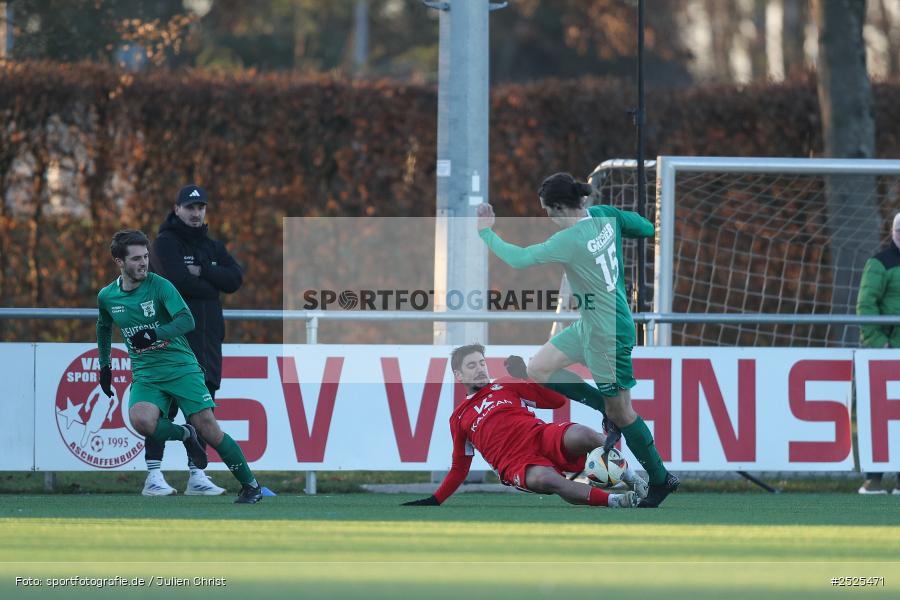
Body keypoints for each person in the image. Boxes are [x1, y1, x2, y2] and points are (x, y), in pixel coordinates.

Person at [475, 172, 678, 508]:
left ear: (556, 208)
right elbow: (646, 228)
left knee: (624, 413)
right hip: (590, 323)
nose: (547, 218)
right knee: (539, 369)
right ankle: (603, 406)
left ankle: (660, 479)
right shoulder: (604, 216)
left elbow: (520, 259)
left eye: (546, 211)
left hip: (608, 334)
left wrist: (485, 232)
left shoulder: (568, 239)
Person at [97, 229, 262, 504]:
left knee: (208, 427)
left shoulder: (160, 286)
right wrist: (105, 367)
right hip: (147, 374)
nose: (143, 263)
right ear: (119, 262)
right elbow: (103, 327)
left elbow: (187, 320)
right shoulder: (107, 296)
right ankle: (186, 435)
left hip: (180, 366)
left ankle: (251, 485)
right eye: (136, 259)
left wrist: (154, 333)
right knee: (142, 421)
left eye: (146, 257)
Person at [402, 345, 646, 508]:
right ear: (459, 376)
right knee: (548, 480)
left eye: (481, 363)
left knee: (586, 434)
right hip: (515, 463)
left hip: (540, 435)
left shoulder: (505, 384)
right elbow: (459, 468)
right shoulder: (459, 418)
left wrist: (525, 376)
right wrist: (435, 500)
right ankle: (617, 501)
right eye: (472, 366)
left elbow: (556, 401)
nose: (480, 369)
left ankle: (635, 480)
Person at [139, 184, 244, 496]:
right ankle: (153, 475)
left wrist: (205, 271)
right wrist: (213, 282)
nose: (196, 213)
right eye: (190, 207)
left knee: (202, 412)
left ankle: (197, 475)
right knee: (164, 408)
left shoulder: (212, 247)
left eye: (200, 207)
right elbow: (177, 283)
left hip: (208, 341)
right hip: (174, 339)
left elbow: (235, 278)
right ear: (177, 209)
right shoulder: (165, 243)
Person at [855, 211, 900, 495]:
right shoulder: (880, 263)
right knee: (881, 415)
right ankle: (873, 479)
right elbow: (866, 305)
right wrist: (879, 343)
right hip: (886, 354)